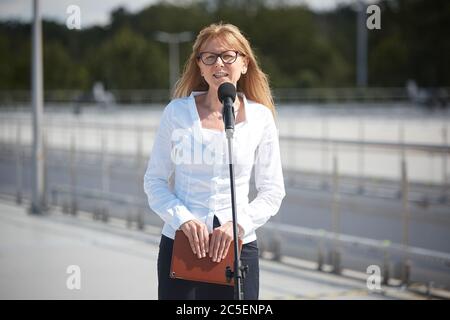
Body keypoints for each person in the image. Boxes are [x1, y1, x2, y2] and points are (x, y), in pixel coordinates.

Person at [143, 22, 285, 300]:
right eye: (209, 57)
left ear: (244, 63)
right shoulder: (176, 113)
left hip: (239, 249)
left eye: (228, 55)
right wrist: (184, 219)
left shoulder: (261, 118)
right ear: (200, 65)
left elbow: (272, 191)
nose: (218, 63)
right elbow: (154, 181)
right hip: (181, 248)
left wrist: (238, 224)